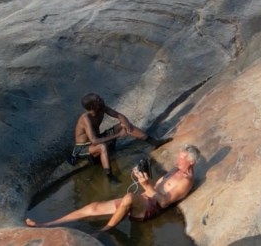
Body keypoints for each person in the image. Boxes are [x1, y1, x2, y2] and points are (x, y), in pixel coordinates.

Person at [26, 144, 201, 230]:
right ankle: (47, 224)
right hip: (145, 197)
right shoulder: (175, 169)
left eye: (181, 158)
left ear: (190, 162)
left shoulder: (185, 180)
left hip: (150, 207)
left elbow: (163, 202)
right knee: (93, 206)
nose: (177, 160)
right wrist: (144, 177)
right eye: (179, 156)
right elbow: (158, 186)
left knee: (129, 198)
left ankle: (105, 230)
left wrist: (147, 186)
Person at [71, 93, 170, 181]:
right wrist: (118, 135)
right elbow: (94, 140)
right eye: (98, 100)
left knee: (123, 125)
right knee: (102, 146)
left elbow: (118, 115)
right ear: (93, 106)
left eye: (99, 97)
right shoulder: (86, 118)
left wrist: (126, 124)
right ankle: (109, 176)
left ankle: (154, 142)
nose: (102, 99)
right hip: (83, 147)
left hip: (97, 138)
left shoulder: (102, 108)